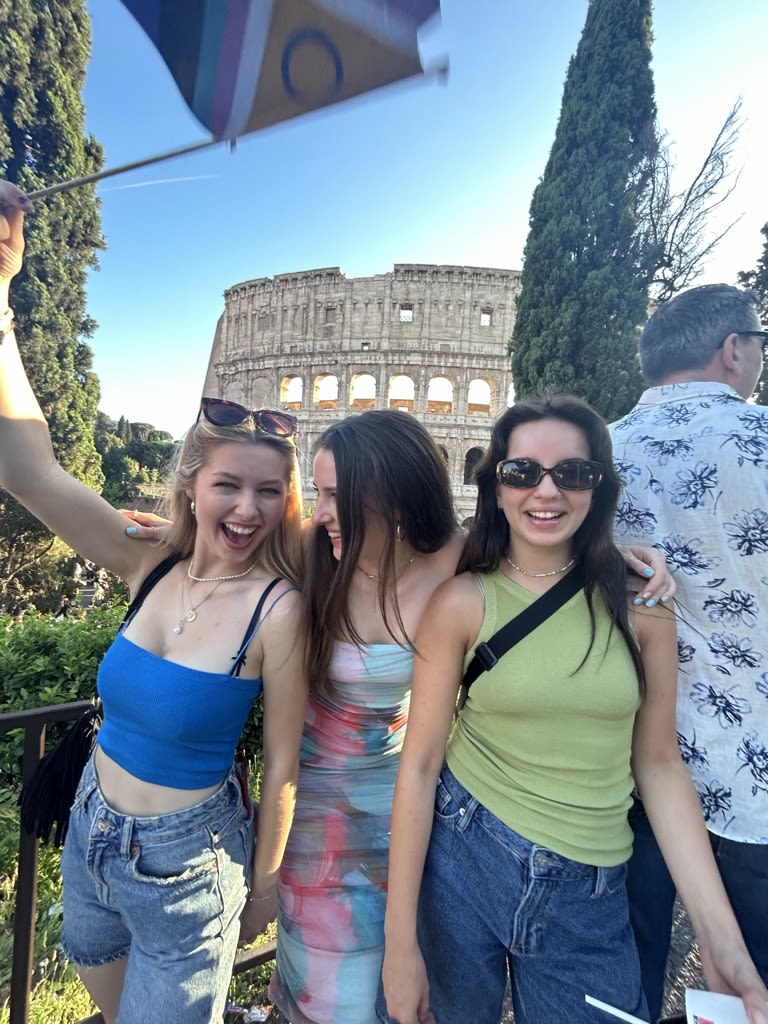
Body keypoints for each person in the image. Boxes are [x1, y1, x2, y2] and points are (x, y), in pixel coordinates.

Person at [0, 182, 307, 1024]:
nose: (248, 509)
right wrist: (1, 295)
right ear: (192, 487)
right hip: (91, 828)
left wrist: (269, 883)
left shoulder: (278, 610)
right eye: (229, 486)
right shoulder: (147, 564)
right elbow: (25, 469)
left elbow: (282, 765)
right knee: (92, 972)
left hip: (190, 864)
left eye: (270, 492)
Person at [378, 395, 768, 1024]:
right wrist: (400, 946)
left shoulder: (644, 603)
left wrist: (720, 940)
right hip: (461, 855)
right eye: (522, 472)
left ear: (599, 487)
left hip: (589, 888)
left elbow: (660, 765)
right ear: (497, 486)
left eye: (574, 473)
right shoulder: (462, 601)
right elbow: (419, 766)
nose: (547, 490)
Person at [609, 284, 768, 1020]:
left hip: (621, 766)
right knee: (748, 993)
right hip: (753, 783)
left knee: (624, 985)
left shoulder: (583, 462)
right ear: (733, 349)